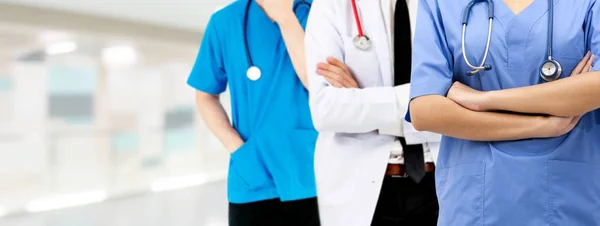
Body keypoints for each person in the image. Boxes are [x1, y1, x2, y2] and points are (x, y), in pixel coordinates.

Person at [408, 0, 599, 225]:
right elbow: (424, 111)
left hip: (570, 199)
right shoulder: (441, 3)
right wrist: (543, 125)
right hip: (474, 203)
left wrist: (481, 100)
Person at [304, 0, 442, 225]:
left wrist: (363, 100)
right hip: (363, 189)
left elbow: (467, 106)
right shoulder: (332, 5)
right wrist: (424, 100)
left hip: (440, 183)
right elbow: (326, 110)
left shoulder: (455, 6)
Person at [187, 0, 320, 225]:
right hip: (253, 178)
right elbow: (205, 97)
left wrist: (286, 18)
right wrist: (238, 150)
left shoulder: (321, 13)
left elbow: (316, 81)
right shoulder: (225, 22)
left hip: (315, 174)